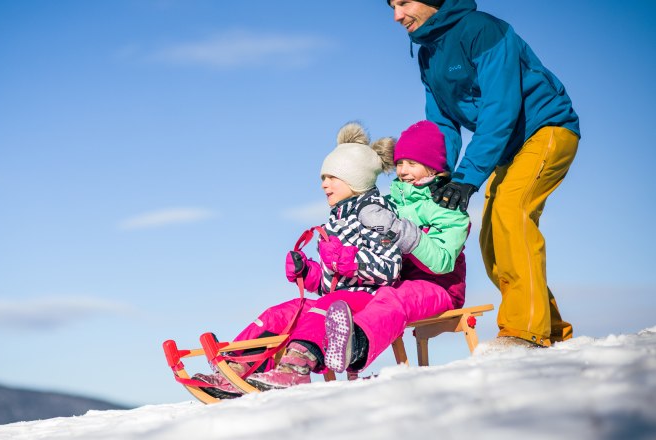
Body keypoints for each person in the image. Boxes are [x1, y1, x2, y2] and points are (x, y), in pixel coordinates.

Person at [386, 0, 580, 347]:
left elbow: (500, 106)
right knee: (491, 238)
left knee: (510, 213)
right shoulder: (427, 54)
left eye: (403, 3)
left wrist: (467, 177)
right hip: (507, 148)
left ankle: (525, 331)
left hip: (545, 129)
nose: (396, 16)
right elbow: (441, 123)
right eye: (392, 7)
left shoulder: (483, 30)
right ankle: (551, 330)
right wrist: (439, 173)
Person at [192, 122, 404, 397]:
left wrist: (346, 259)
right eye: (322, 178)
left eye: (332, 177)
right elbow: (331, 284)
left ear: (355, 179)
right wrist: (309, 272)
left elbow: (391, 268)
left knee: (323, 307)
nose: (324, 184)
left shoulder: (375, 213)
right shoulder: (338, 219)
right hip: (341, 298)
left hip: (370, 298)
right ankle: (237, 366)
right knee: (285, 311)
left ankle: (296, 369)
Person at [323, 120, 469, 373]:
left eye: (412, 163)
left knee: (394, 299)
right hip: (397, 283)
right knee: (365, 297)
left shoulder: (448, 207)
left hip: (441, 289)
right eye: (400, 163)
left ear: (433, 168)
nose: (402, 170)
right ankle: (326, 345)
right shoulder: (389, 203)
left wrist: (399, 230)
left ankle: (356, 347)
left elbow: (442, 261)